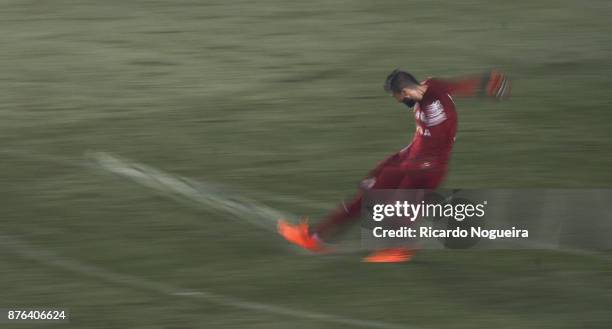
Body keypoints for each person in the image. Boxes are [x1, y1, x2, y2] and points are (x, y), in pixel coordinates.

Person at [278, 69, 511, 262]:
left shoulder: (435, 114)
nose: (398, 101)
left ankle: (400, 247)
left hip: (426, 168)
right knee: (367, 195)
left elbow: (431, 154)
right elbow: (459, 87)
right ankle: (316, 238)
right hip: (411, 157)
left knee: (393, 206)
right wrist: (489, 83)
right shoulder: (431, 85)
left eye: (397, 96)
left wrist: (395, 171)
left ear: (405, 91)